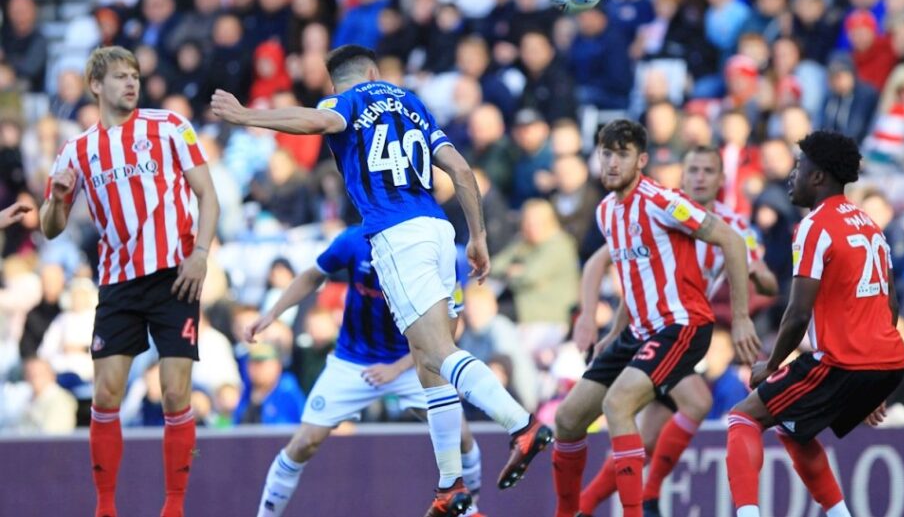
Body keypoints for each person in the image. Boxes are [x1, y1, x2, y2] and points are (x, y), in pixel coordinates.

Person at [210, 45, 550, 517]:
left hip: (396, 233)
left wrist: (248, 116)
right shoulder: (411, 103)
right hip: (438, 229)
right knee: (431, 366)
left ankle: (521, 424)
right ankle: (449, 485)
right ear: (374, 71)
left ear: (338, 82)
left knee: (437, 353)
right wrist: (478, 237)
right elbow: (459, 168)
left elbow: (318, 122)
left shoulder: (346, 101)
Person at [39, 46, 220, 517]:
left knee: (175, 392)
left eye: (135, 76)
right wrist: (57, 200)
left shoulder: (170, 126)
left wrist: (201, 254)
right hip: (118, 281)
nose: (131, 83)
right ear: (96, 86)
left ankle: (174, 506)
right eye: (120, 76)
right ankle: (105, 506)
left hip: (175, 275)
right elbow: (50, 227)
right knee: (105, 393)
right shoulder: (76, 150)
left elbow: (208, 195)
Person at [551, 120, 760, 517]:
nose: (613, 163)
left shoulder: (663, 201)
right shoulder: (606, 211)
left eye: (623, 154)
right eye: (606, 154)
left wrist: (741, 319)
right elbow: (632, 276)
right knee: (567, 418)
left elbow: (731, 240)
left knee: (619, 404)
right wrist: (607, 328)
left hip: (681, 325)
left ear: (641, 160)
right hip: (639, 331)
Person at [724, 131, 904, 517]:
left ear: (819, 176)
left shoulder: (814, 226)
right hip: (888, 361)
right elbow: (890, 303)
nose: (793, 175)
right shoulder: (869, 224)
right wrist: (875, 379)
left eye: (799, 167)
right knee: (792, 426)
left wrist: (771, 365)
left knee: (744, 416)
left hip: (843, 360)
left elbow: (797, 313)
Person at [248, 225, 488, 517]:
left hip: (411, 361)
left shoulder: (431, 248)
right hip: (352, 361)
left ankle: (470, 509)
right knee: (304, 442)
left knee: (460, 437)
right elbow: (313, 275)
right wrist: (272, 313)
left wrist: (397, 368)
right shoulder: (353, 241)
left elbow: (450, 326)